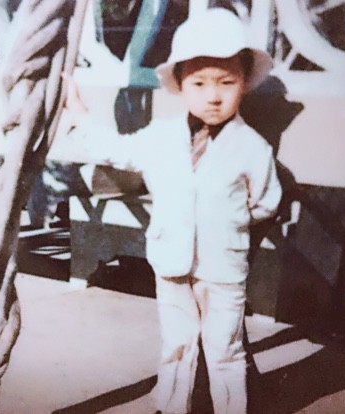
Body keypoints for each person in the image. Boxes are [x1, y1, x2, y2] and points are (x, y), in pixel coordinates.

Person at [64, 8, 282, 414]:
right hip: (171, 263)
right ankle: (171, 406)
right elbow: (116, 149)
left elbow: (266, 200)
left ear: (244, 83)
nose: (213, 96)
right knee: (177, 344)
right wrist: (78, 114)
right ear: (180, 83)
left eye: (227, 83)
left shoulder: (253, 148)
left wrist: (227, 221)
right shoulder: (160, 138)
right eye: (199, 83)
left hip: (223, 270)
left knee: (225, 349)